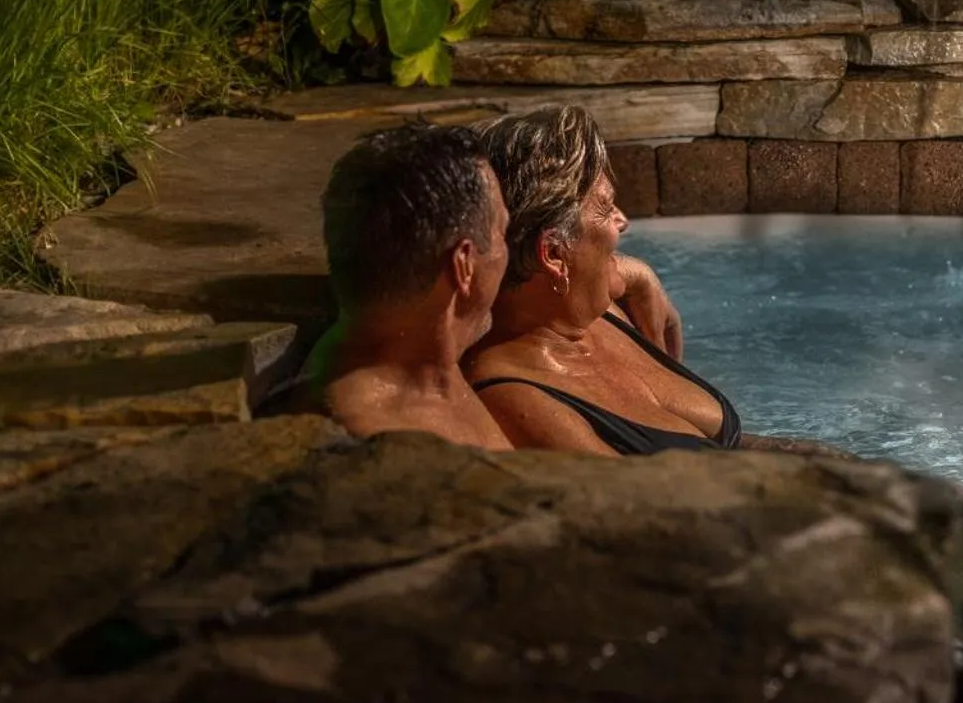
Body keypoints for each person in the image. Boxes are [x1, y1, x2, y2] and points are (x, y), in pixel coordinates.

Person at [466, 107, 742, 454]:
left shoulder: (592, 308)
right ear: (553, 254)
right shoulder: (519, 401)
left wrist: (640, 276)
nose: (622, 220)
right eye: (607, 206)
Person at [308, 123, 513, 450]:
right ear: (464, 264)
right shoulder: (380, 439)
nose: (508, 251)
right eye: (502, 231)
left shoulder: (427, 363)